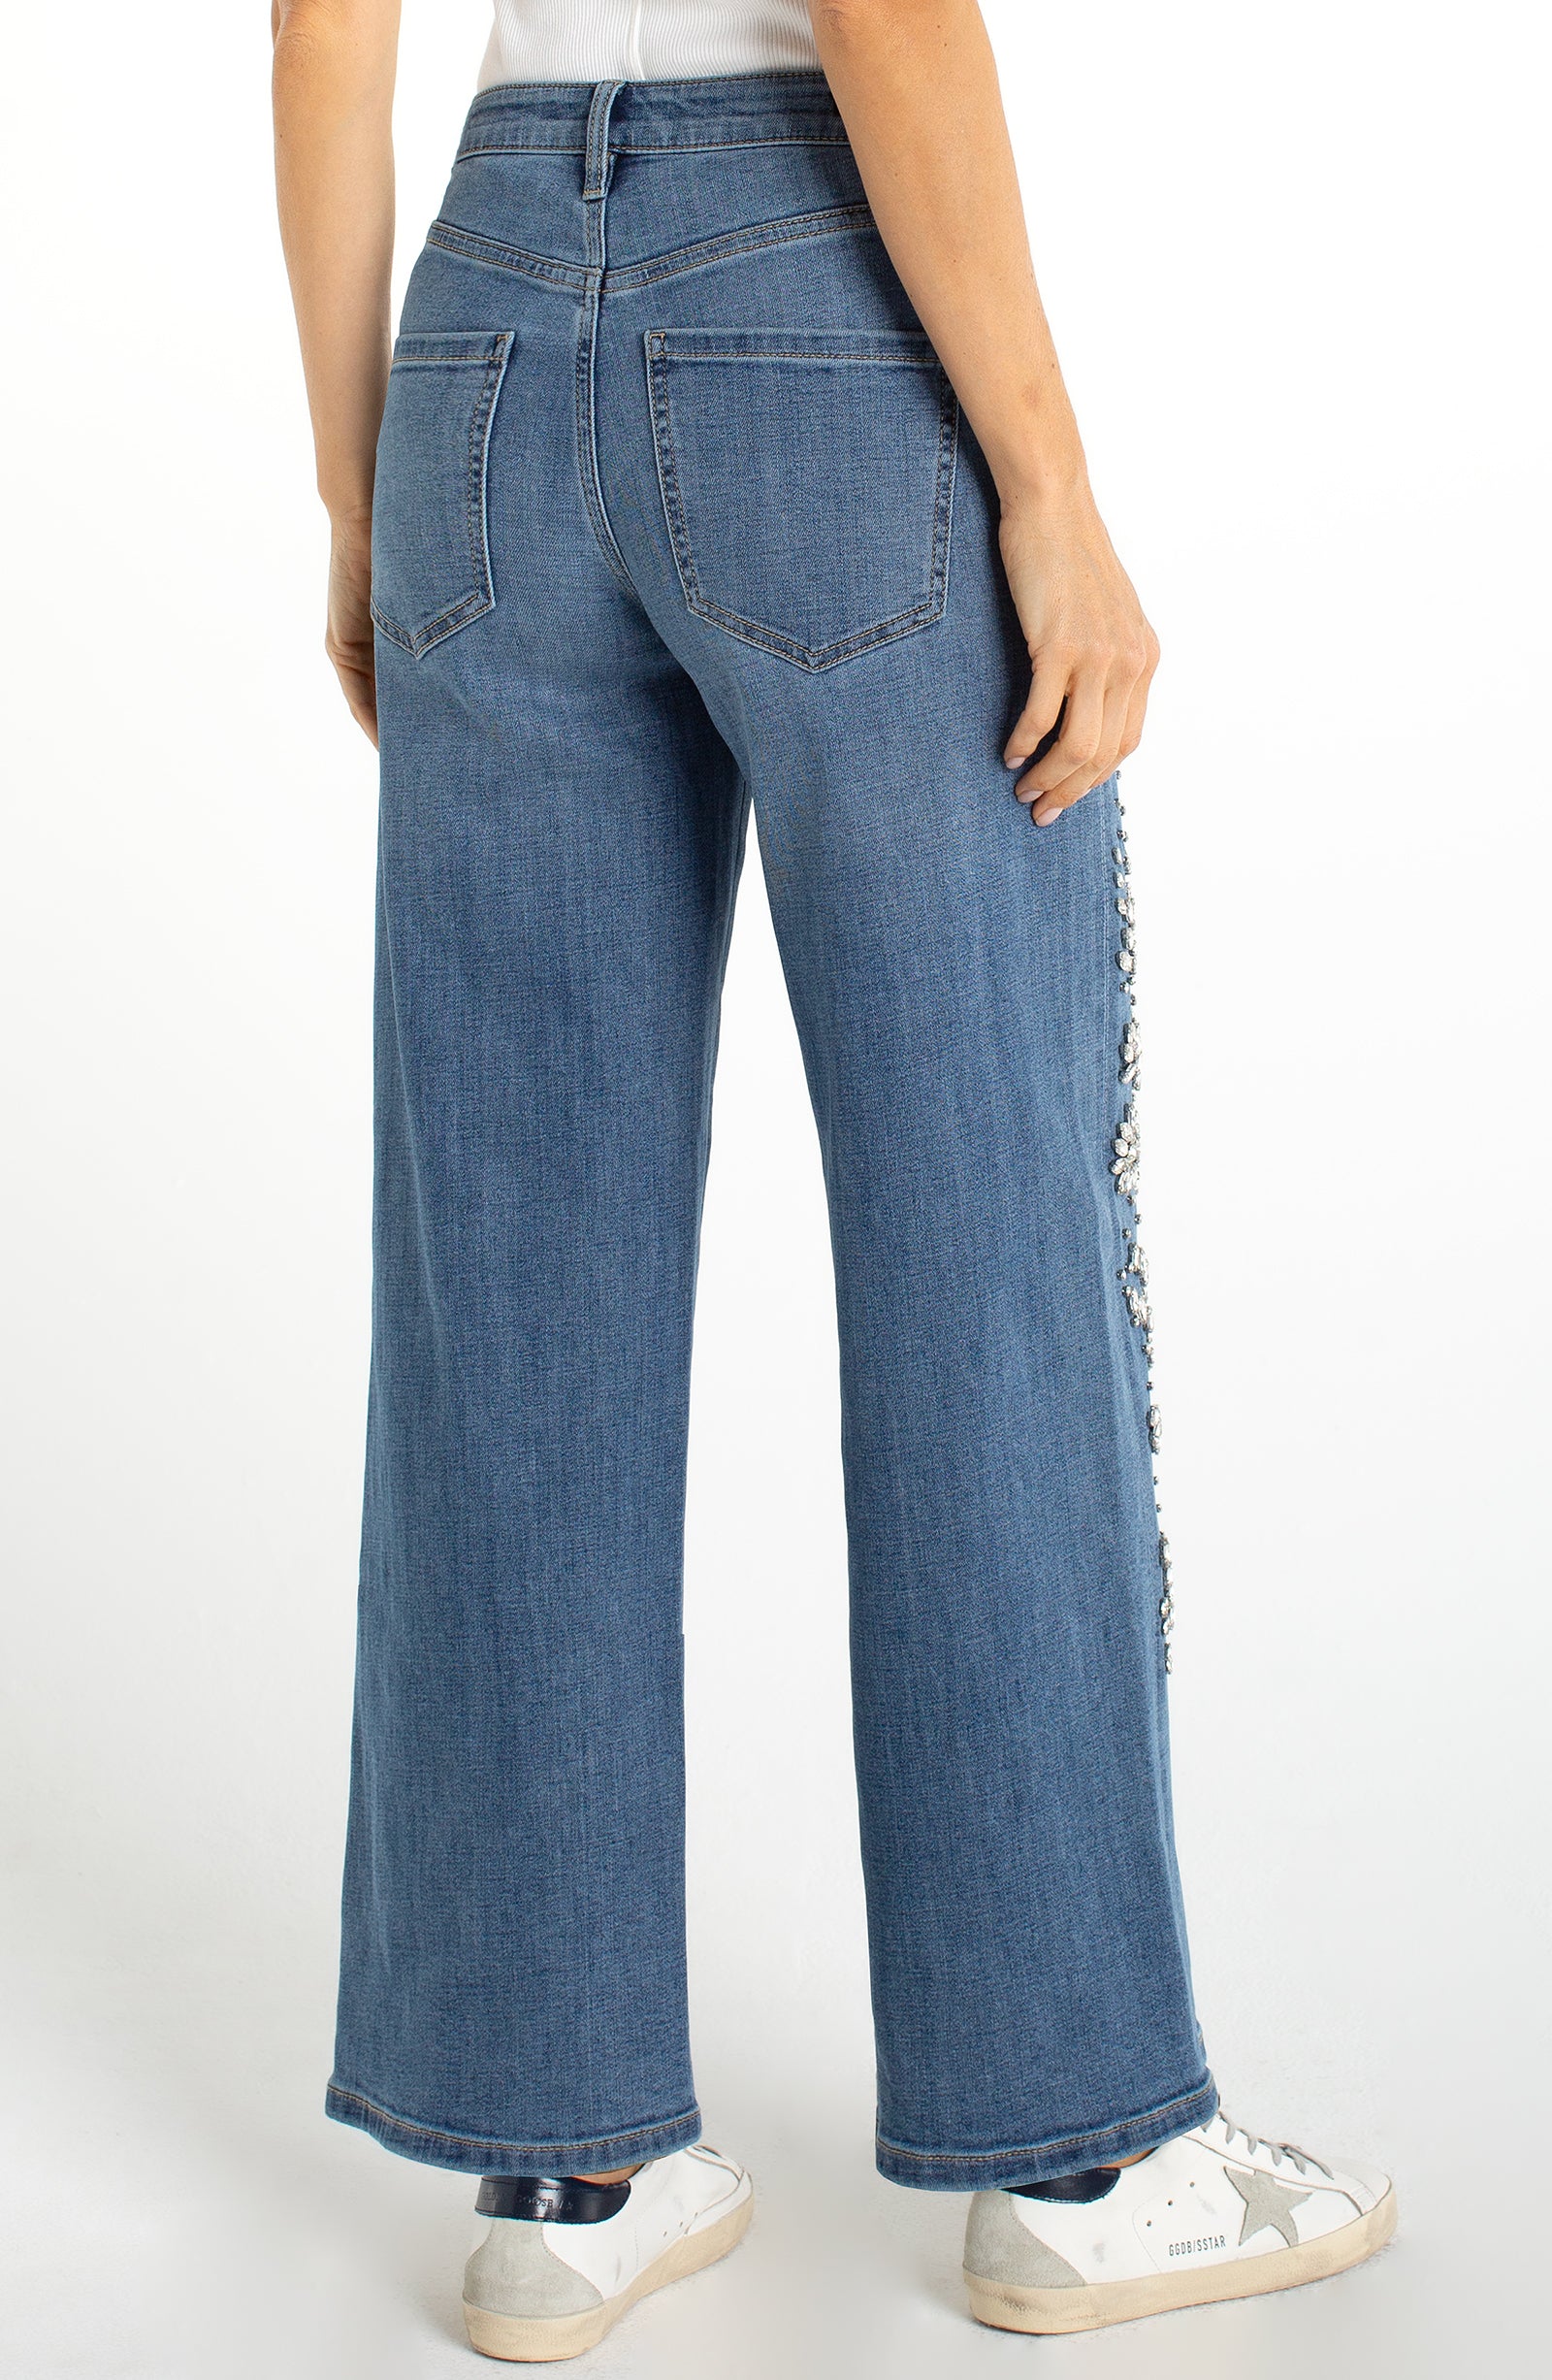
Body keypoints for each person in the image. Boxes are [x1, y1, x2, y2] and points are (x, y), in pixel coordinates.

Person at [272, 0, 1394, 2355]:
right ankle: (1080, 2156)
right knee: (979, 1238)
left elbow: (321, 23)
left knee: (511, 1280)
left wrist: (361, 488)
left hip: (472, 344)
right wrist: (1047, 486)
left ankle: (561, 2170)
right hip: (809, 300)